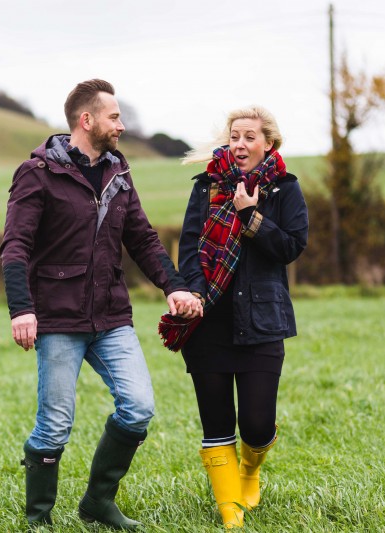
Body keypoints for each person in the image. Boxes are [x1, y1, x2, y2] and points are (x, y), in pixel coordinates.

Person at [0, 78, 202, 530]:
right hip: (58, 317)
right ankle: (39, 518)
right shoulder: (38, 173)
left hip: (111, 316)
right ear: (86, 120)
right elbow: (15, 246)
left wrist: (173, 285)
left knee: (139, 408)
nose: (121, 125)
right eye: (114, 117)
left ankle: (97, 503)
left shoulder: (118, 172)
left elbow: (143, 238)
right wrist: (22, 308)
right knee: (54, 425)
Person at [158, 106, 308, 528]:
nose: (240, 145)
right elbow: (189, 248)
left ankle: (250, 471)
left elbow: (291, 248)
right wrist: (193, 293)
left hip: (262, 321)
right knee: (217, 423)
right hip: (210, 322)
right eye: (234, 136)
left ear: (268, 144)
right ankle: (231, 515)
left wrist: (250, 217)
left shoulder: (285, 190)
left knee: (257, 425)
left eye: (249, 137)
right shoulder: (206, 187)